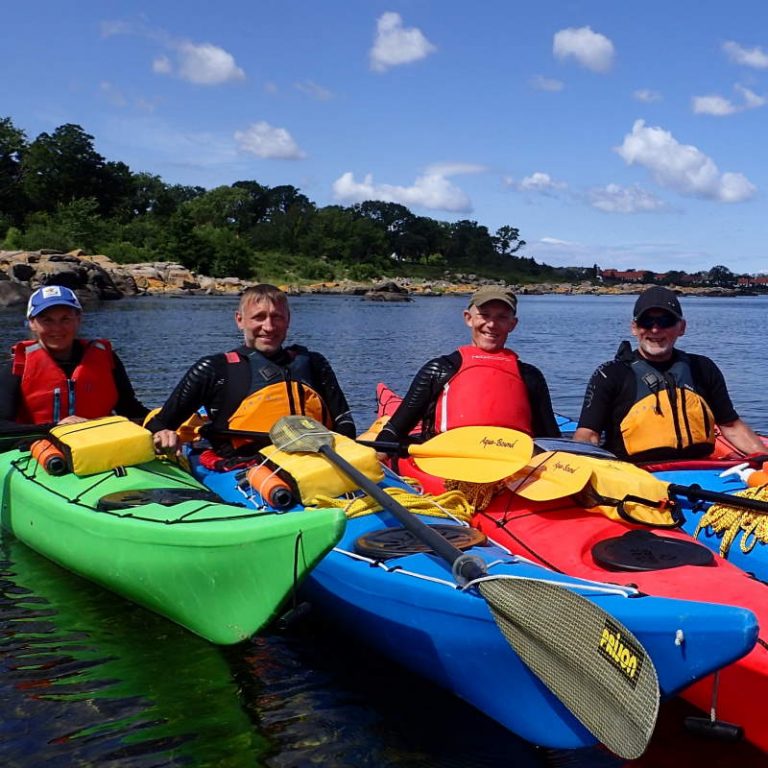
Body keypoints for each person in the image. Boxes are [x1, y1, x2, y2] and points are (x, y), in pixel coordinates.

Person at [148, 283, 356, 454]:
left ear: (288, 320)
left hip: (316, 464)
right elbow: (158, 425)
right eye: (259, 317)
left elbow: (345, 425)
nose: (269, 327)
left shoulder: (314, 364)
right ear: (240, 320)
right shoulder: (214, 369)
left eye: (277, 317)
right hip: (246, 468)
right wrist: (163, 435)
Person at [573, 285, 765, 461]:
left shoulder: (703, 368)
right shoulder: (610, 374)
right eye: (646, 322)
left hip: (701, 470)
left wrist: (764, 457)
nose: (655, 329)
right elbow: (587, 435)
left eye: (666, 321)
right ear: (634, 328)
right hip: (634, 476)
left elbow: (731, 426)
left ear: (681, 327)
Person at [377, 286, 561, 444]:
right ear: (468, 318)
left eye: (502, 317)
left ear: (512, 324)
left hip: (511, 470)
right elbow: (394, 431)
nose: (491, 324)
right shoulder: (440, 370)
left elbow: (551, 439)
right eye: (484, 315)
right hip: (445, 466)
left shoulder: (530, 377)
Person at [0, 284, 149, 430]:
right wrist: (56, 427)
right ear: (32, 323)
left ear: (78, 319)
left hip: (98, 446)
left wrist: (161, 425)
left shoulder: (106, 358)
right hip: (39, 448)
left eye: (65, 319)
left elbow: (131, 410)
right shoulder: (17, 367)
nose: (57, 328)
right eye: (47, 320)